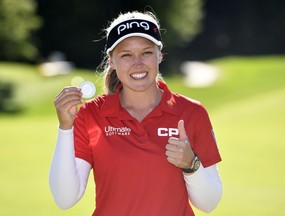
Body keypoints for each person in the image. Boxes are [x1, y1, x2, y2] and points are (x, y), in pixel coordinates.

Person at [49, 10, 223, 216]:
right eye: (126, 55)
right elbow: (65, 198)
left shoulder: (192, 113)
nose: (137, 63)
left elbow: (209, 203)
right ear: (112, 61)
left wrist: (190, 164)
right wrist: (65, 129)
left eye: (146, 52)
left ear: (160, 55)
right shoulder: (91, 115)